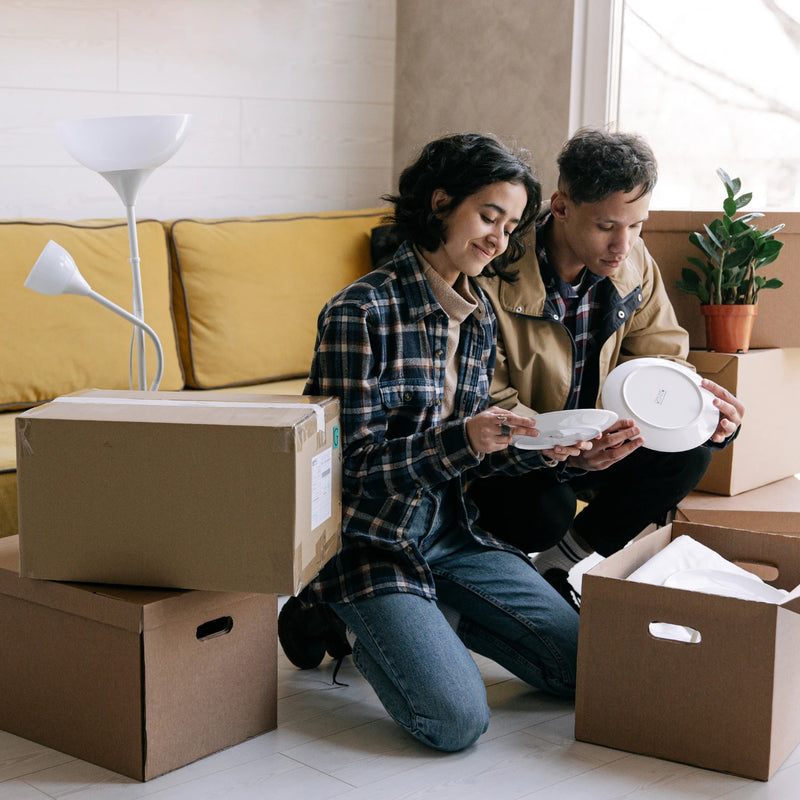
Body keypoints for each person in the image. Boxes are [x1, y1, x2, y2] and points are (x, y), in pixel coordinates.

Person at [278, 133, 589, 753]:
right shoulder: (359, 312)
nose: (499, 239)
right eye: (488, 216)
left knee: (585, 668)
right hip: (370, 541)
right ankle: (333, 608)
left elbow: (470, 453)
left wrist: (533, 450)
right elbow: (349, 469)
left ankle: (428, 618)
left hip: (453, 532)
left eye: (510, 225)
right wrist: (464, 438)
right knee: (454, 723)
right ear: (442, 202)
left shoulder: (475, 316)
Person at [471, 127, 745, 612]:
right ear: (560, 207)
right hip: (519, 454)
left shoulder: (635, 262)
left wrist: (702, 415)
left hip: (602, 444)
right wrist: (569, 452)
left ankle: (559, 563)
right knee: (543, 511)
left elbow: (662, 362)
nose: (624, 244)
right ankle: (492, 577)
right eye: (607, 226)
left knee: (693, 452)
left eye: (637, 225)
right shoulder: (495, 273)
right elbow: (486, 402)